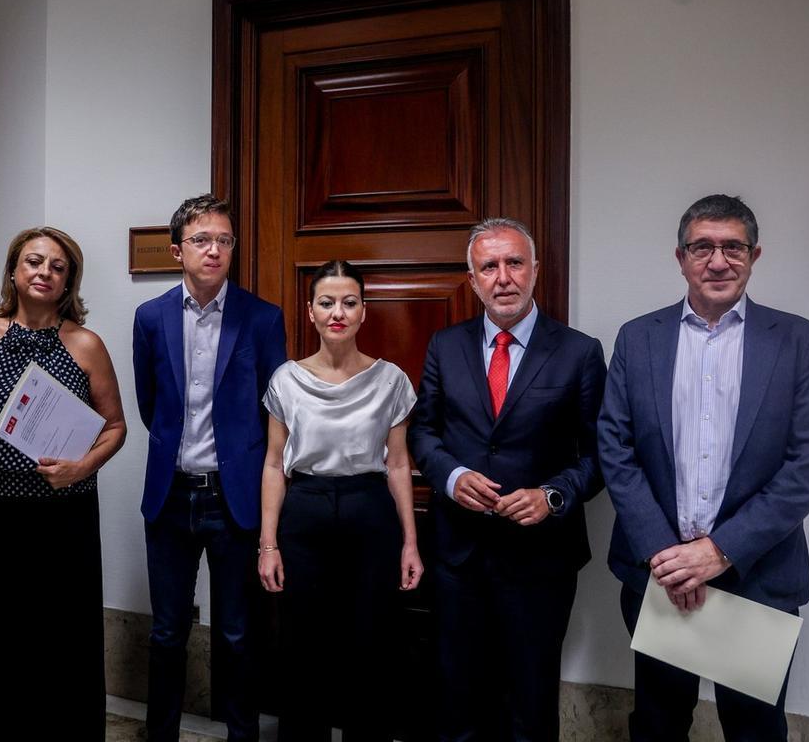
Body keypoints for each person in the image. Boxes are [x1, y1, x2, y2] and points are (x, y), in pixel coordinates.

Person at [598, 194, 809, 741]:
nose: (718, 261)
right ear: (680, 258)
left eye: (733, 247)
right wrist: (666, 555)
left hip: (755, 575)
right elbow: (615, 447)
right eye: (702, 247)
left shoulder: (800, 344)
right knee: (658, 722)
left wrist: (715, 553)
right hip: (659, 576)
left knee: (754, 729)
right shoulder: (639, 338)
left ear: (755, 255)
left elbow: (808, 466)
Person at [409, 217, 607, 742]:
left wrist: (553, 495)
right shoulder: (444, 346)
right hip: (459, 555)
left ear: (536, 271)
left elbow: (601, 455)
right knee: (457, 697)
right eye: (489, 266)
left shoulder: (580, 352)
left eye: (514, 262)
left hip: (540, 559)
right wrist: (450, 477)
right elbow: (422, 434)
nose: (503, 277)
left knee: (530, 701)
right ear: (472, 279)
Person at [0, 226, 126, 739]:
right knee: (7, 638)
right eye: (34, 262)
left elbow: (116, 427)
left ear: (69, 280)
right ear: (13, 271)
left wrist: (81, 467)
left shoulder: (85, 344)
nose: (44, 272)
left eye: (57, 266)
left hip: (64, 515)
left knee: (67, 639)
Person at [132, 194, 286, 742]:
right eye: (202, 239)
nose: (215, 249)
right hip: (170, 496)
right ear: (177, 251)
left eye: (224, 239)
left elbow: (277, 409)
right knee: (168, 633)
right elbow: (150, 405)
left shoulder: (263, 318)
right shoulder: (149, 318)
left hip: (235, 497)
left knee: (238, 635)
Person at [257, 259, 423, 741]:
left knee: (370, 646)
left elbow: (397, 465)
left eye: (349, 303)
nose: (338, 312)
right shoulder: (286, 379)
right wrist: (268, 543)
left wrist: (410, 542)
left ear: (363, 311)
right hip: (304, 511)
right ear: (310, 312)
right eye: (327, 302)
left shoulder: (391, 380)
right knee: (303, 647)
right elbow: (273, 464)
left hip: (370, 512)